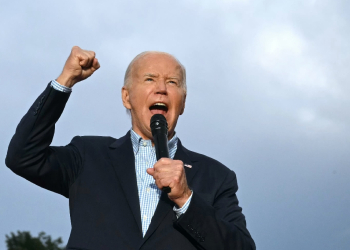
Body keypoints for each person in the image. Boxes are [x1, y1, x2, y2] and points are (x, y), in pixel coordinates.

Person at [6, 46, 256, 250]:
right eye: (150, 79)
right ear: (127, 97)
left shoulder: (216, 176)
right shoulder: (88, 155)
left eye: (172, 82)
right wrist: (65, 81)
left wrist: (185, 198)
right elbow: (23, 156)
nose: (161, 88)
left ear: (183, 102)